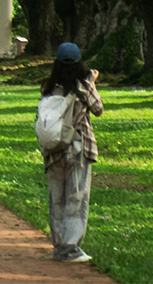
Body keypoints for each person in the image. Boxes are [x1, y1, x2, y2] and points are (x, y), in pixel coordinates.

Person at [40, 41, 103, 264]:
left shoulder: (47, 86)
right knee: (76, 198)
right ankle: (70, 246)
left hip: (54, 149)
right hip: (78, 148)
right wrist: (91, 83)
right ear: (79, 63)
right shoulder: (83, 86)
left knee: (56, 198)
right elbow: (98, 109)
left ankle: (58, 245)